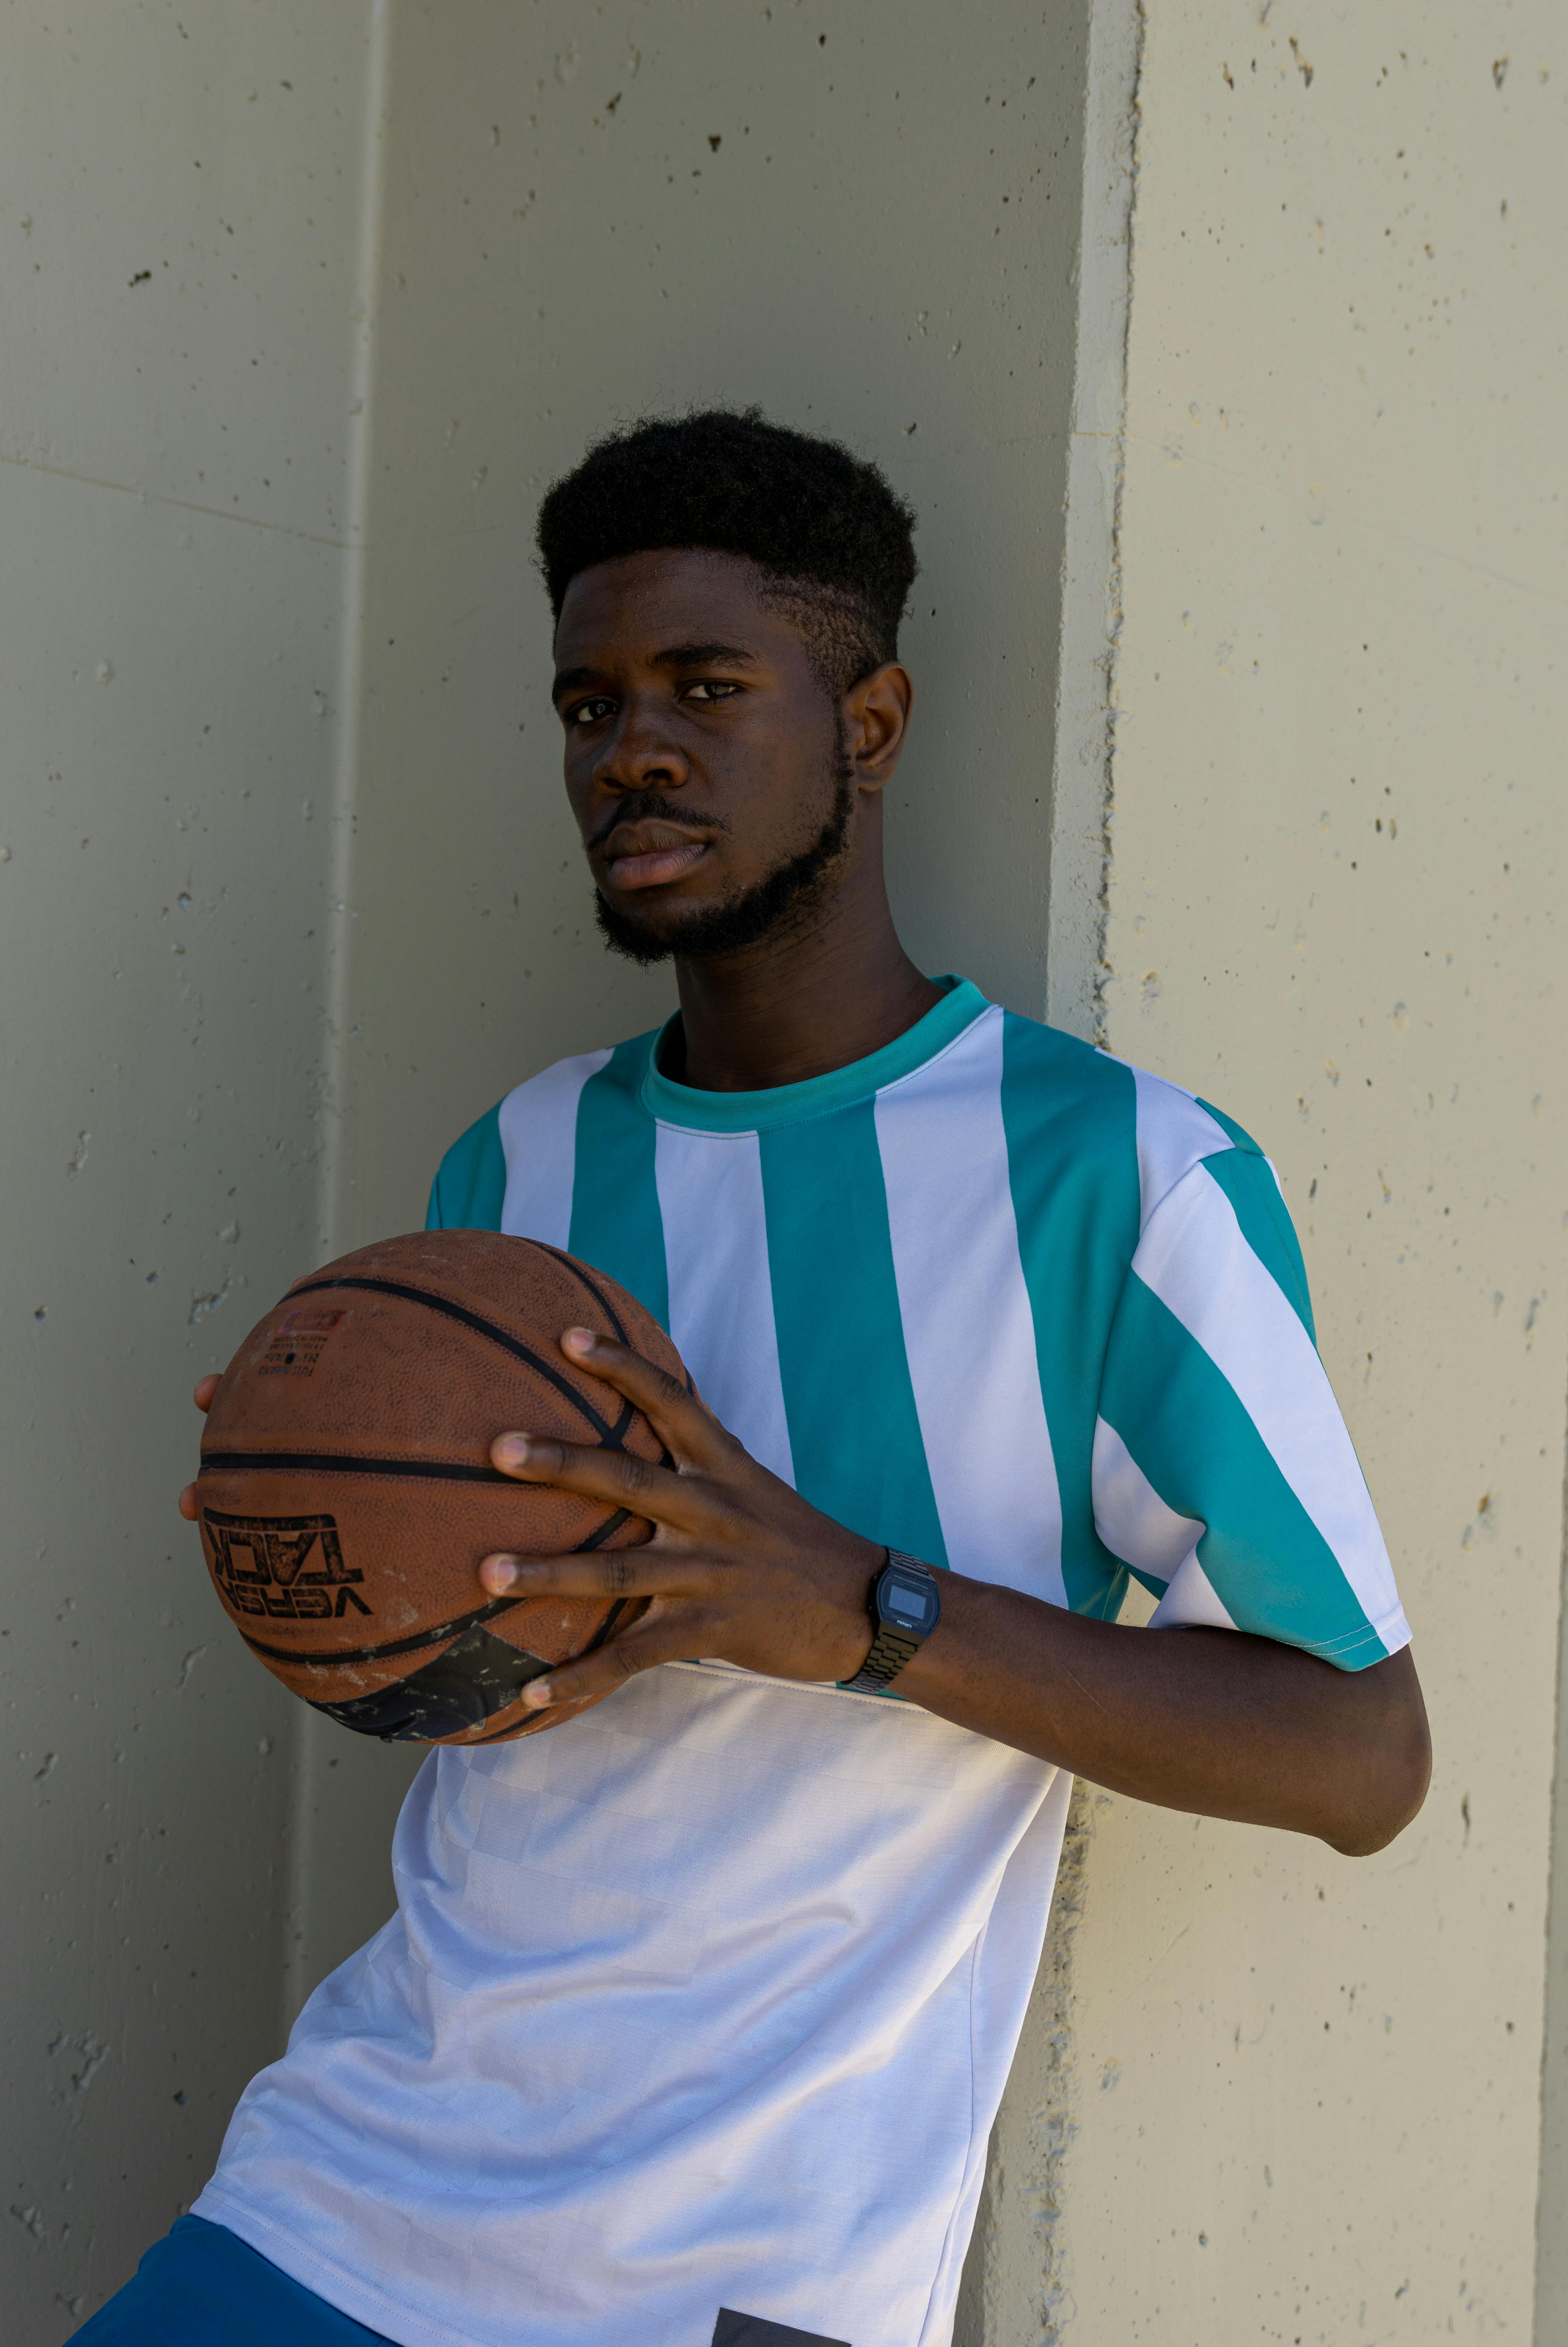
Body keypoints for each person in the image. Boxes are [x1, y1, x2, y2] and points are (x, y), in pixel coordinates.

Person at [87, 409, 1430, 2347]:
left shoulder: (1116, 1179)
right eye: (588, 702)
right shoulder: (522, 1162)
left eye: (706, 688)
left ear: (867, 726)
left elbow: (1361, 1757)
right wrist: (321, 1528)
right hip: (349, 2195)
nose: (630, 746)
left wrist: (859, 1611)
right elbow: (492, 1667)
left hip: (753, 2279)